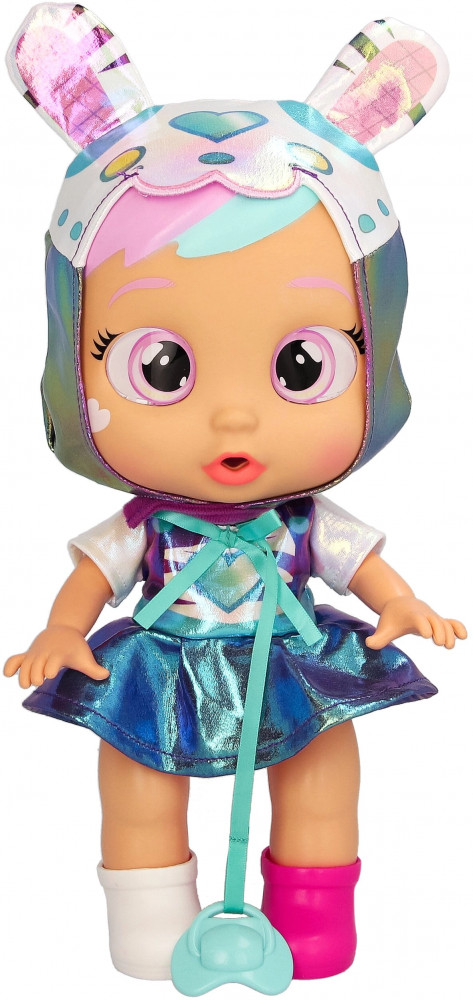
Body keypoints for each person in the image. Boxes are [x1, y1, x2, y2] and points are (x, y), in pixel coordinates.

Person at [4, 3, 466, 986]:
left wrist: (399, 604)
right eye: (160, 367)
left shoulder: (303, 521)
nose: (233, 419)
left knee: (322, 759)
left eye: (300, 365)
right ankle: (148, 914)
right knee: (134, 769)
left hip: (288, 658)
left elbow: (359, 564)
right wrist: (61, 631)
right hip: (163, 666)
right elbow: (93, 576)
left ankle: (312, 909)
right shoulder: (145, 524)